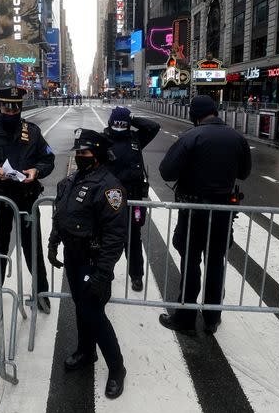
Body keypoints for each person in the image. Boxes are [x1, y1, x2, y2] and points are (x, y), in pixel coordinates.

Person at [157, 95, 251, 335]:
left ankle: (185, 318)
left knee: (190, 262)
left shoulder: (190, 137)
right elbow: (244, 172)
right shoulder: (237, 137)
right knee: (216, 262)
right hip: (222, 213)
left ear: (194, 114)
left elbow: (167, 172)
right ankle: (212, 318)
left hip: (194, 212)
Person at [48, 128, 127, 399]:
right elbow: (61, 215)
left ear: (99, 155)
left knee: (94, 312)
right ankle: (86, 350)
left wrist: (102, 273)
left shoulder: (109, 187)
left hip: (93, 260)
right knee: (81, 308)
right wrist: (53, 242)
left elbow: (116, 237)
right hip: (73, 255)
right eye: (78, 152)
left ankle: (117, 368)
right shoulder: (72, 181)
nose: (80, 156)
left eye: (86, 152)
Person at [0, 86, 55, 314]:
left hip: (27, 199)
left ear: (20, 107)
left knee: (33, 248)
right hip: (0, 200)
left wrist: (36, 171)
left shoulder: (33, 131)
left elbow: (48, 159)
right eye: (6, 107)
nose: (11, 111)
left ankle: (41, 292)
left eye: (15, 107)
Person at [103, 106, 160, 291]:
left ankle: (136, 275)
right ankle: (105, 273)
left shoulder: (135, 138)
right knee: (107, 238)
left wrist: (132, 117)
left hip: (134, 197)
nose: (119, 126)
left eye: (123, 123)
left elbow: (154, 127)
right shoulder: (102, 140)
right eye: (116, 122)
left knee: (134, 238)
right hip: (109, 199)